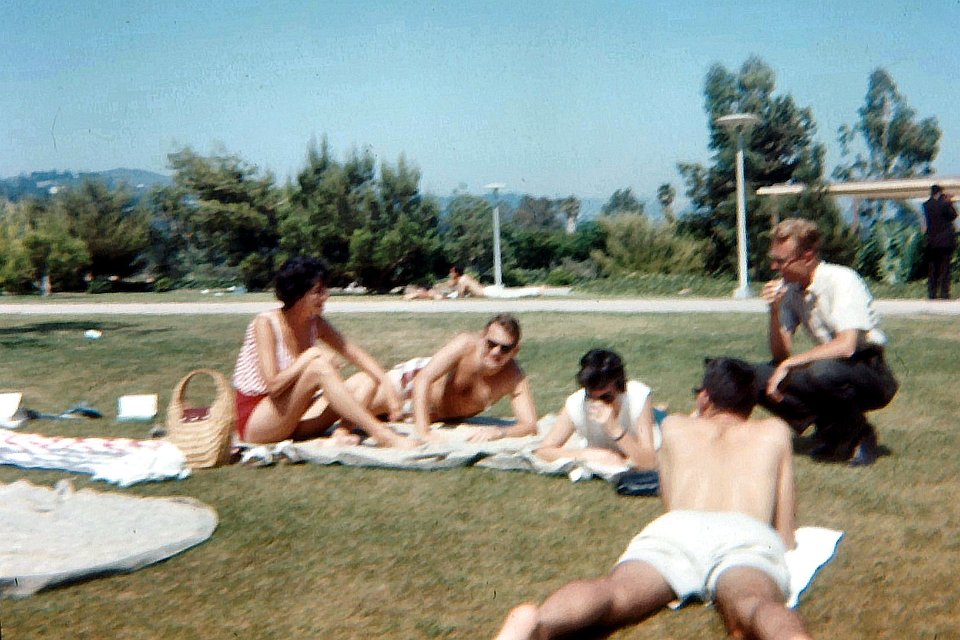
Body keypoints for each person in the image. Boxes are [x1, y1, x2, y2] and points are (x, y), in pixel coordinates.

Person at [494, 357, 810, 640]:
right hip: (744, 533)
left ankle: (540, 622)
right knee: (754, 602)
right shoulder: (774, 432)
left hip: (678, 529)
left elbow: (671, 505)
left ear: (704, 397)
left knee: (614, 591)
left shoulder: (675, 427)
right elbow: (785, 533)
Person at [756, 217, 898, 466]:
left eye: (782, 261)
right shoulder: (790, 290)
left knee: (822, 372)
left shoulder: (842, 279)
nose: (774, 267)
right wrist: (775, 311)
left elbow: (847, 345)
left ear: (808, 256)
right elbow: (780, 354)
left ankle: (861, 435)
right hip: (830, 367)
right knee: (755, 376)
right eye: (773, 259)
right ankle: (830, 427)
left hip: (869, 370)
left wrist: (790, 364)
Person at [232, 256, 415, 448]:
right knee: (318, 367)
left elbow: (355, 354)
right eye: (318, 291)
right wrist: (310, 356)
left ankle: (343, 431)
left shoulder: (314, 323)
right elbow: (273, 386)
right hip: (257, 422)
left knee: (366, 378)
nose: (326, 296)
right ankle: (383, 436)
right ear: (298, 294)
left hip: (294, 416)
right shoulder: (266, 323)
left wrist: (386, 384)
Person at [344, 313, 538, 442]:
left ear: (515, 351)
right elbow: (423, 379)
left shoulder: (513, 376)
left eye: (505, 348)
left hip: (428, 414)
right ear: (482, 338)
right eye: (491, 344)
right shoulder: (466, 345)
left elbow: (529, 425)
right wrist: (424, 431)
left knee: (362, 413)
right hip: (408, 387)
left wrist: (499, 432)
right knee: (347, 406)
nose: (496, 352)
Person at [534, 349, 658, 470]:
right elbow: (544, 451)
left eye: (606, 398)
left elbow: (649, 463)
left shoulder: (637, 397)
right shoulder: (577, 403)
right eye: (590, 397)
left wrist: (615, 430)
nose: (598, 404)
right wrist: (589, 455)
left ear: (621, 389)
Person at [921, 184, 957, 300]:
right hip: (946, 242)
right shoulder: (945, 204)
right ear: (940, 192)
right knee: (945, 269)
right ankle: (944, 293)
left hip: (932, 242)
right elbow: (953, 216)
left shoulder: (926, 205)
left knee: (933, 269)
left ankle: (932, 293)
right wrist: (950, 202)